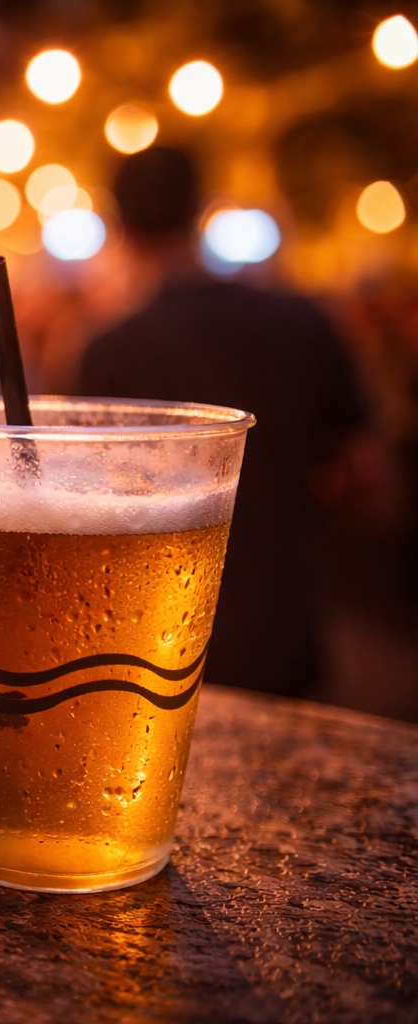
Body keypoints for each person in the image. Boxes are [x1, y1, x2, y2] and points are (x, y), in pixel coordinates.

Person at [78, 146, 373, 698]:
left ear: (120, 224)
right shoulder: (302, 321)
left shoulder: (107, 349)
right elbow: (364, 471)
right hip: (282, 620)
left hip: (150, 642)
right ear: (201, 209)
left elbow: (85, 500)